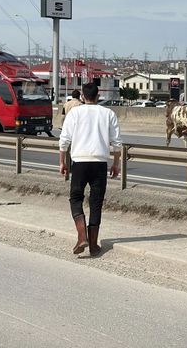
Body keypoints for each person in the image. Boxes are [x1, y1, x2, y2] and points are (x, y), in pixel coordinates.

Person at [59, 83, 122, 257]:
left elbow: (64, 140)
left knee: (75, 198)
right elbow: (117, 143)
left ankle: (81, 236)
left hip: (79, 162)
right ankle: (93, 245)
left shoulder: (75, 113)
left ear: (83, 97)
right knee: (96, 203)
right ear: (98, 96)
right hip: (100, 163)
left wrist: (62, 162)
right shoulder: (108, 114)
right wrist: (116, 164)